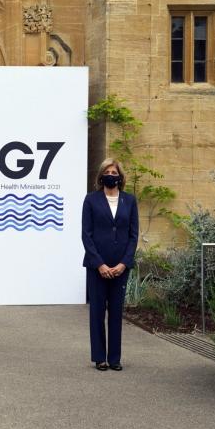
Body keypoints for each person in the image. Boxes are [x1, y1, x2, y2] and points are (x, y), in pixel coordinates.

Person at [81, 158, 139, 371]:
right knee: (97, 312)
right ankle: (100, 358)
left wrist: (124, 263)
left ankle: (114, 358)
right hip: (98, 267)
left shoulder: (130, 201)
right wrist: (100, 264)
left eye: (114, 172)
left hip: (120, 267)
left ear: (120, 177)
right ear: (101, 176)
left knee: (116, 313)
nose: (111, 175)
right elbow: (86, 235)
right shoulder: (91, 200)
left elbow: (133, 235)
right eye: (107, 172)